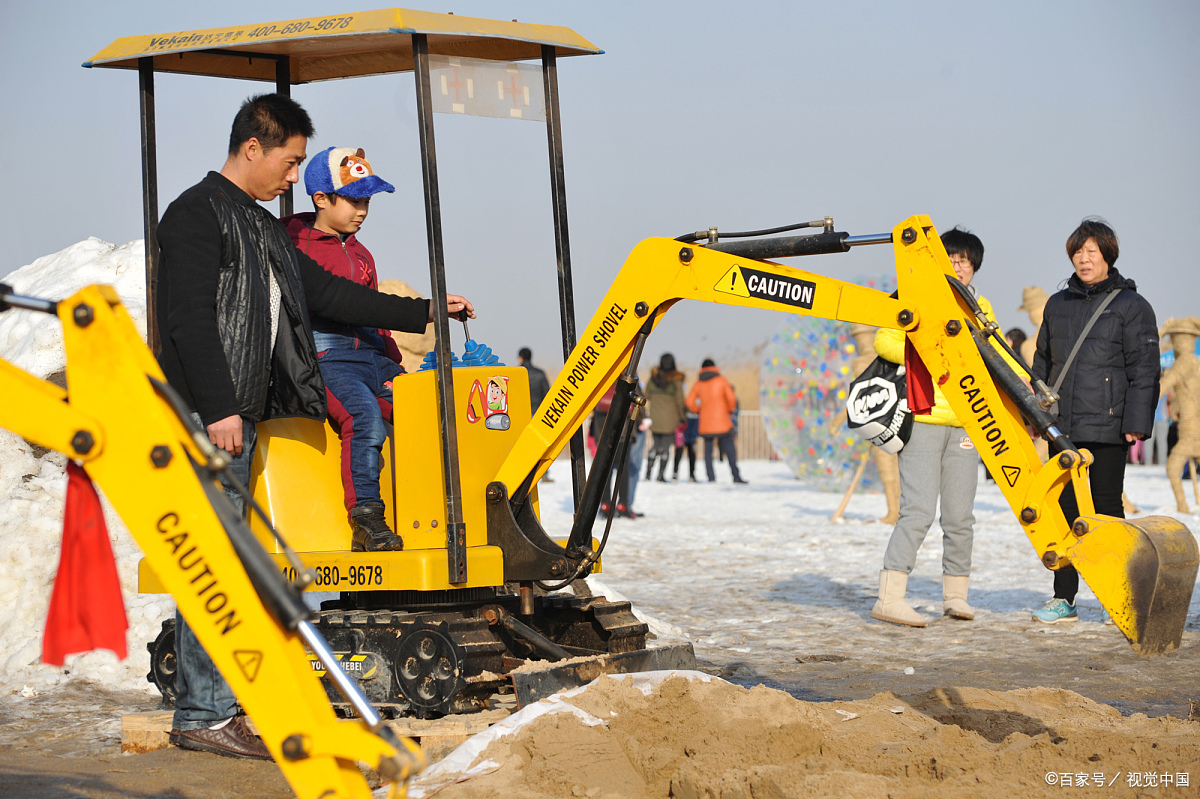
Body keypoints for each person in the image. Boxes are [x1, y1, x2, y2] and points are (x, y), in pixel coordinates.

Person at [156, 94, 474, 758]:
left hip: (241, 410)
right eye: (292, 161)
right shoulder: (195, 215)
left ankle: (223, 703)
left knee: (242, 561)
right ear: (254, 148)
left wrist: (417, 310)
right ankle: (203, 712)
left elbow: (329, 295)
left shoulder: (263, 226)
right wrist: (218, 406)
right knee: (214, 558)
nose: (295, 177)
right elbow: (187, 319)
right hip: (208, 413)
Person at [870, 227, 1020, 627]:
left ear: (974, 269)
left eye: (965, 262)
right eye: (951, 259)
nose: (958, 267)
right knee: (917, 510)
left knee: (960, 515)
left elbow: (997, 352)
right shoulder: (912, 295)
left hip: (969, 421)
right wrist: (927, 348)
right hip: (922, 417)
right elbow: (884, 340)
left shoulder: (980, 304)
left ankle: (956, 596)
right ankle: (890, 596)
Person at [281, 146, 416, 551]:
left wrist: (394, 363)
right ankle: (368, 520)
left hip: (372, 355)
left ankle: (431, 510)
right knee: (364, 417)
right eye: (354, 200)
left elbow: (374, 313)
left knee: (426, 411)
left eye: (367, 201)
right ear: (321, 198)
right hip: (328, 357)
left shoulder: (362, 253)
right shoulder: (293, 242)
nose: (362, 211)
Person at [1030, 218, 1159, 624]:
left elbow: (1145, 369)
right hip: (1062, 426)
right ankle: (1063, 598)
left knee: (1104, 512)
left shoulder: (1132, 306)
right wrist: (1037, 412)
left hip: (1108, 427)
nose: (1084, 259)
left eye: (1092, 252)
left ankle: (1116, 593)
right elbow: (1042, 366)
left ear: (1108, 256)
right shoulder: (1057, 304)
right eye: (1078, 252)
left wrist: (1135, 422)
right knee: (1064, 512)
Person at [686, 358, 745, 484]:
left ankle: (711, 477)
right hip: (723, 422)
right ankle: (736, 475)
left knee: (708, 451)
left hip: (706, 423)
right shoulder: (722, 381)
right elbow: (732, 399)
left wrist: (698, 410)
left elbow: (689, 402)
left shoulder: (699, 384)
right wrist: (728, 410)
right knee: (730, 450)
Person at [645, 353, 686, 482]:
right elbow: (680, 401)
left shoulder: (653, 378)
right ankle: (660, 475)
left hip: (655, 417)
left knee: (655, 445)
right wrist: (683, 417)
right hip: (671, 419)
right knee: (666, 447)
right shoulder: (676, 380)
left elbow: (647, 395)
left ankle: (648, 474)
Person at [518, 347, 554, 481]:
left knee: (523, 445)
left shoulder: (518, 373)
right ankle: (543, 474)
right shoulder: (540, 373)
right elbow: (547, 395)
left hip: (523, 414)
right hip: (538, 414)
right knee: (540, 445)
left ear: (520, 358)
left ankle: (524, 474)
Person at [674, 410, 699, 481]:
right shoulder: (683, 408)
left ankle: (692, 474)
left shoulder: (697, 407)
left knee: (692, 455)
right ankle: (675, 473)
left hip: (691, 434)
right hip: (682, 433)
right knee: (679, 454)